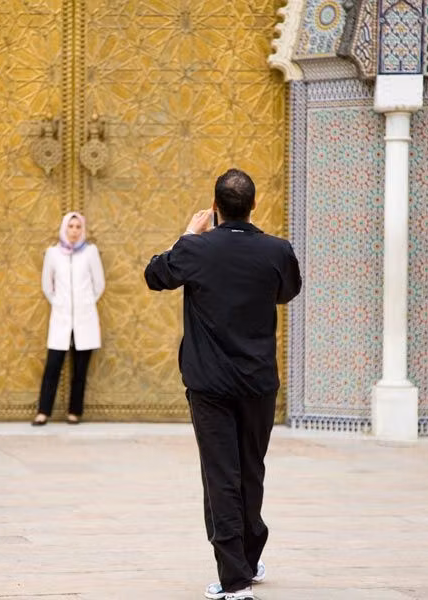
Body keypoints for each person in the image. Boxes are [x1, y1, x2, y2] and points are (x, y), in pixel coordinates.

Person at [144, 169, 302, 600]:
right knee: (251, 470)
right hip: (257, 383)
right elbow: (287, 292)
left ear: (214, 208)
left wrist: (187, 235)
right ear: (254, 205)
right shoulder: (277, 250)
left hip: (210, 384)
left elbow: (155, 275)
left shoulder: (195, 248)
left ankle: (235, 580)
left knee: (221, 477)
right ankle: (246, 562)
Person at [33, 212, 105, 426]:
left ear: (82, 229)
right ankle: (43, 412)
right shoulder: (53, 253)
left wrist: (86, 302)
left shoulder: (90, 252)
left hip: (85, 318)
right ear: (64, 228)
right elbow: (47, 285)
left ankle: (75, 411)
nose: (74, 231)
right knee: (53, 366)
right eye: (70, 226)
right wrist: (59, 303)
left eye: (78, 227)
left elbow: (99, 284)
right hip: (61, 318)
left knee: (80, 369)